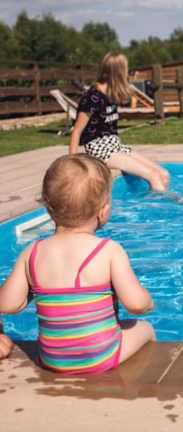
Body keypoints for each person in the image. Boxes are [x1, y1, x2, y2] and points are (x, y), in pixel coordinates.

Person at [0, 154, 156, 374]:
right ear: (103, 211)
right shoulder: (108, 250)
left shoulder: (31, 253)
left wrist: (35, 288)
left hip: (52, 359)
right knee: (145, 329)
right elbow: (136, 305)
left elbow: (7, 304)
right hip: (101, 357)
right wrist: (148, 302)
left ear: (48, 208)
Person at [69, 52, 170, 192]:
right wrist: (72, 166)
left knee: (163, 174)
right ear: (119, 73)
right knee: (153, 177)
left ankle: (157, 200)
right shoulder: (92, 97)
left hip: (115, 145)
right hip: (100, 150)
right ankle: (166, 205)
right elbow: (76, 131)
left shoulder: (111, 93)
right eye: (126, 70)